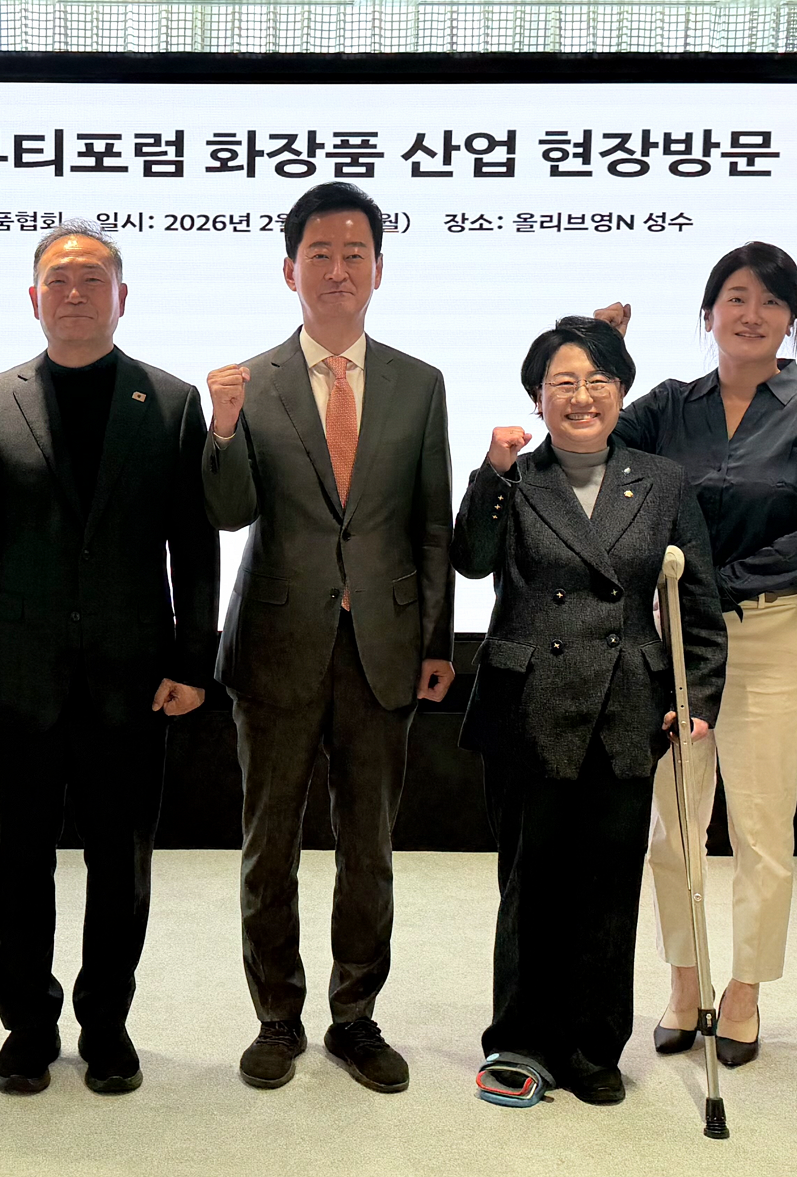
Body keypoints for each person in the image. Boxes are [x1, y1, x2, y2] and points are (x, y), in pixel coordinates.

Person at [0, 220, 218, 1096]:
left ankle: (107, 1022)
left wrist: (194, 660)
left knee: (120, 863)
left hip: (133, 674)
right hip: (18, 672)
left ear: (123, 297)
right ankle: (27, 1025)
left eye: (93, 279)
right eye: (59, 280)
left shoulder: (170, 402)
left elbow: (194, 543)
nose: (75, 293)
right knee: (19, 861)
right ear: (34, 298)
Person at [202, 182, 454, 1095]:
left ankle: (355, 1017)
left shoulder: (420, 383)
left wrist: (437, 642)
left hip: (383, 645)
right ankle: (277, 1015)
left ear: (379, 270)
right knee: (268, 844)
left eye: (355, 254)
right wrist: (221, 432)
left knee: (369, 847)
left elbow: (431, 524)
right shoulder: (247, 381)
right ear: (289, 270)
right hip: (276, 645)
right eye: (320, 254)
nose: (337, 269)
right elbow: (228, 511)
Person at [596, 243, 797, 1066]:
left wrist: (711, 584)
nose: (752, 314)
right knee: (673, 828)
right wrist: (605, 354)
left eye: (771, 301)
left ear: (791, 319)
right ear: (708, 312)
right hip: (673, 640)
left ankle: (744, 989)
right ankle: (685, 981)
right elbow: (589, 442)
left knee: (760, 826)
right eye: (736, 298)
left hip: (770, 635)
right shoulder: (670, 406)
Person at [454, 316, 724, 1107]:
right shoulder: (516, 475)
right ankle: (520, 1040)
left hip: (627, 701)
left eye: (598, 380)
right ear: (537, 398)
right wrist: (491, 474)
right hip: (528, 698)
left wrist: (698, 695)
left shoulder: (661, 480)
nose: (582, 396)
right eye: (563, 382)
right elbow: (470, 559)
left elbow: (698, 600)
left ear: (622, 391)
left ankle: (593, 1044)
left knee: (608, 883)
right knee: (530, 881)